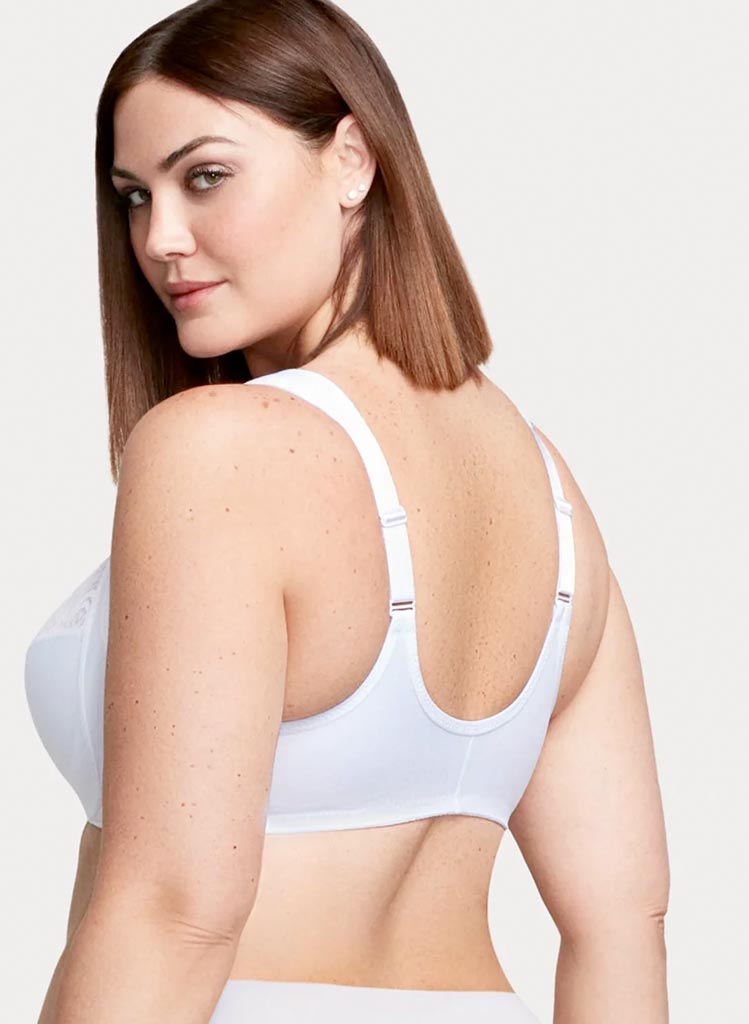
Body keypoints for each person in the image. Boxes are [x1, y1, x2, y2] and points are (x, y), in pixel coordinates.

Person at [24, 1, 670, 1022]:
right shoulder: (547, 491)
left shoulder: (218, 447)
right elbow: (620, 927)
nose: (160, 238)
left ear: (353, 161)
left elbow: (174, 914)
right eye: (133, 197)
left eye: (204, 176)